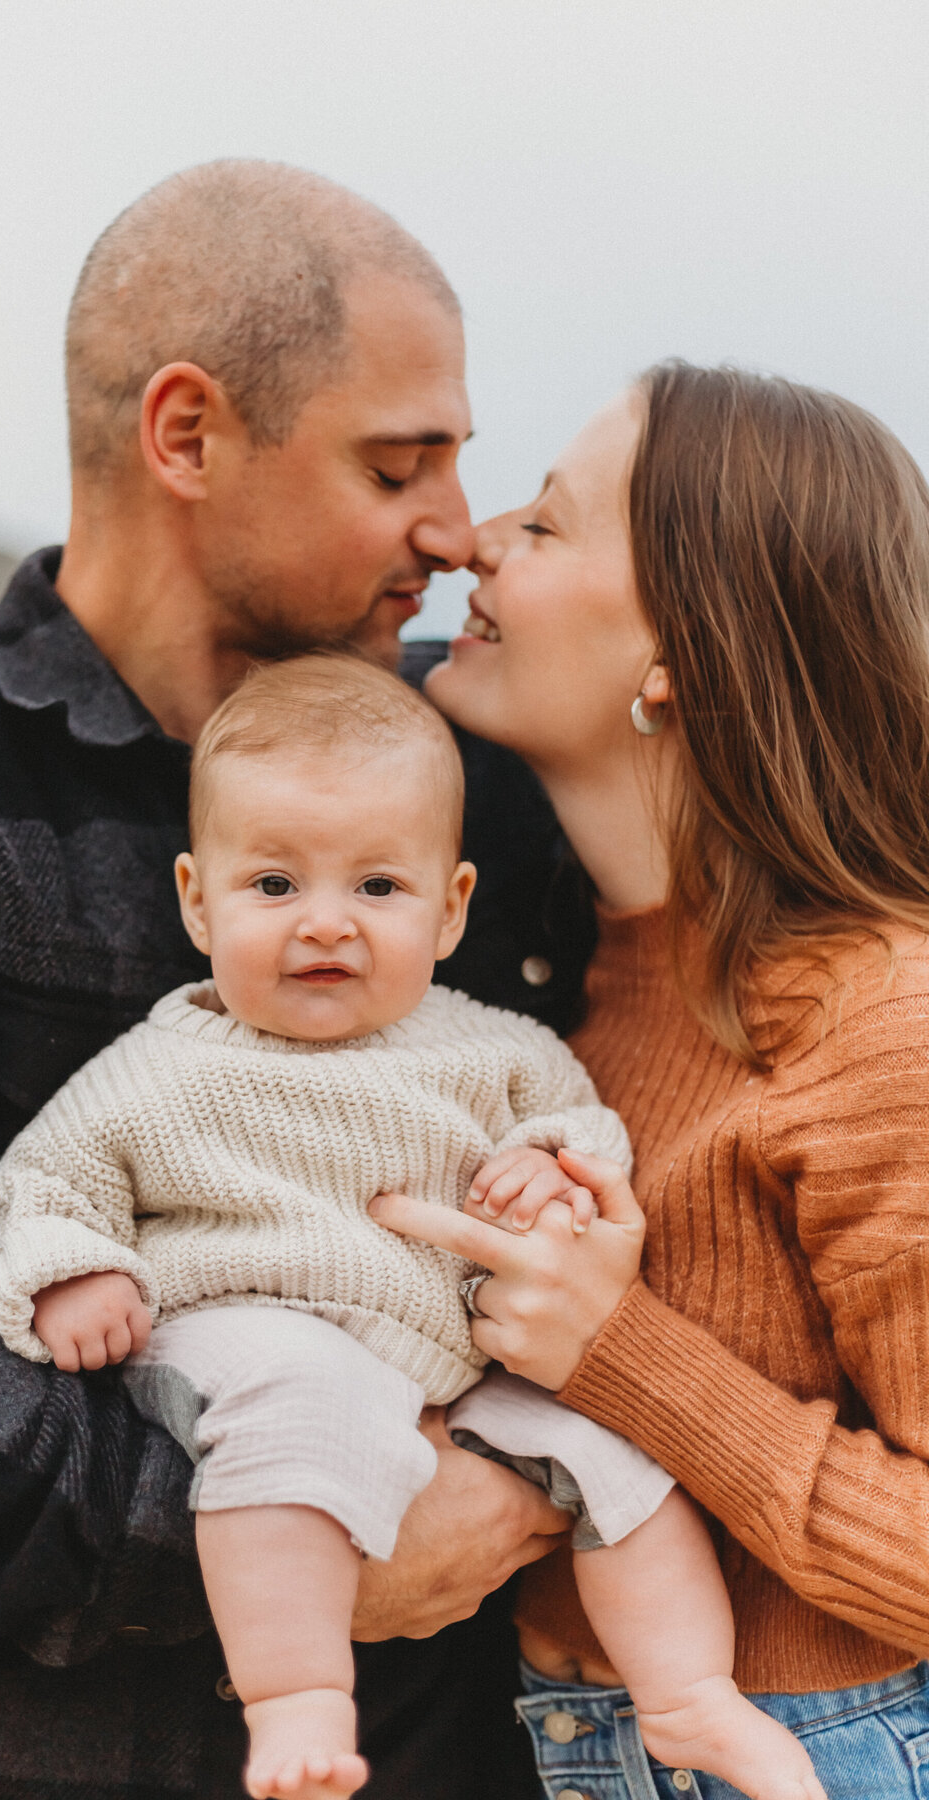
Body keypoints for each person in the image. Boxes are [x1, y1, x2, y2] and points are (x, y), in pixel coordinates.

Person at [0, 160, 578, 1800]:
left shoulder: (496, 780)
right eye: (398, 463)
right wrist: (270, 1534)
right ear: (185, 435)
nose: (454, 530)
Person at [0, 648, 825, 1800]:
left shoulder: (491, 1047)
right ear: (196, 899)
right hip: (251, 1327)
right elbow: (41, 1183)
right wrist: (73, 1275)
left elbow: (584, 1126)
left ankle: (688, 1699)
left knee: (613, 1443)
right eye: (274, 886)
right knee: (297, 1412)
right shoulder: (162, 1066)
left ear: (449, 908)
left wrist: (552, 1171)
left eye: (377, 888)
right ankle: (295, 1703)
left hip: (450, 1354)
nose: (324, 924)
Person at [373, 360, 929, 1798]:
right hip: (569, 1744)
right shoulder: (574, 977)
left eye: (548, 528)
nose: (478, 539)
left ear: (679, 652)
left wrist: (623, 1350)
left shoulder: (880, 1028)